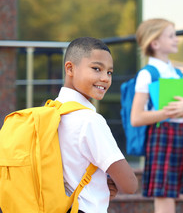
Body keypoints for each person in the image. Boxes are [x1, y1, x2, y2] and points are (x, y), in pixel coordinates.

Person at [57, 36, 138, 213]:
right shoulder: (90, 120)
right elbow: (129, 185)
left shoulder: (50, 111)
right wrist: (113, 181)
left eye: (109, 72)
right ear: (70, 68)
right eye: (96, 69)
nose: (105, 78)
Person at [131, 18, 183, 213]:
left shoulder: (177, 73)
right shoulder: (148, 73)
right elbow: (136, 118)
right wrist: (167, 112)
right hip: (162, 135)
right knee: (163, 194)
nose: (176, 39)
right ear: (155, 43)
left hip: (180, 134)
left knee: (171, 192)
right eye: (171, 36)